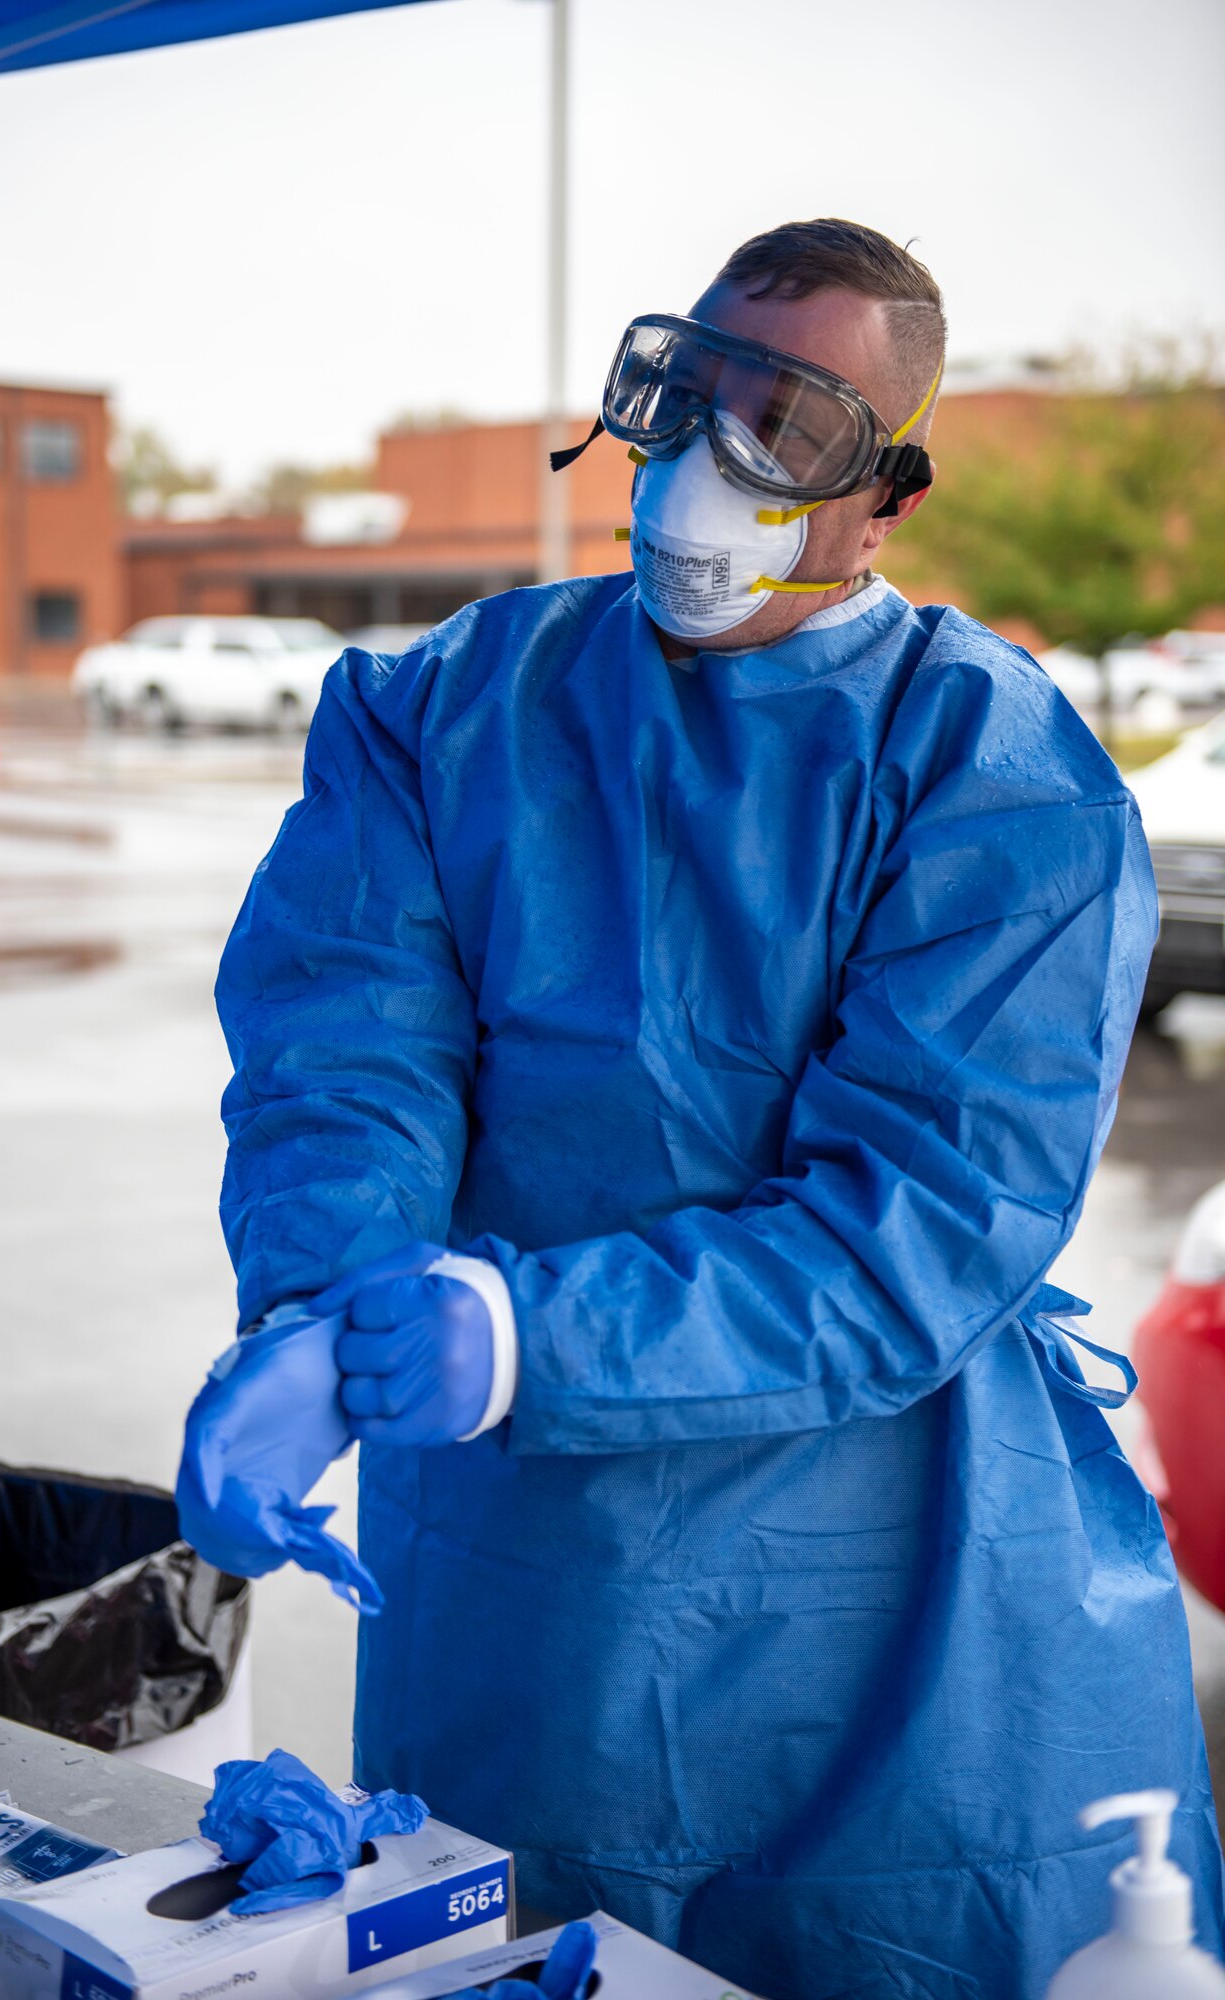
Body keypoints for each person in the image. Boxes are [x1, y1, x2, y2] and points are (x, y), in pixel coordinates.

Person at [211, 219, 1224, 1997]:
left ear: (887, 494)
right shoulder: (442, 703)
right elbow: (346, 1050)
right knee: (507, 1934)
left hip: (894, 1587)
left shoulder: (995, 773)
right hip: (518, 1571)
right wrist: (323, 1304)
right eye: (691, 397)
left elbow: (924, 1215)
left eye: (793, 430)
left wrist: (526, 1330)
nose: (708, 466)